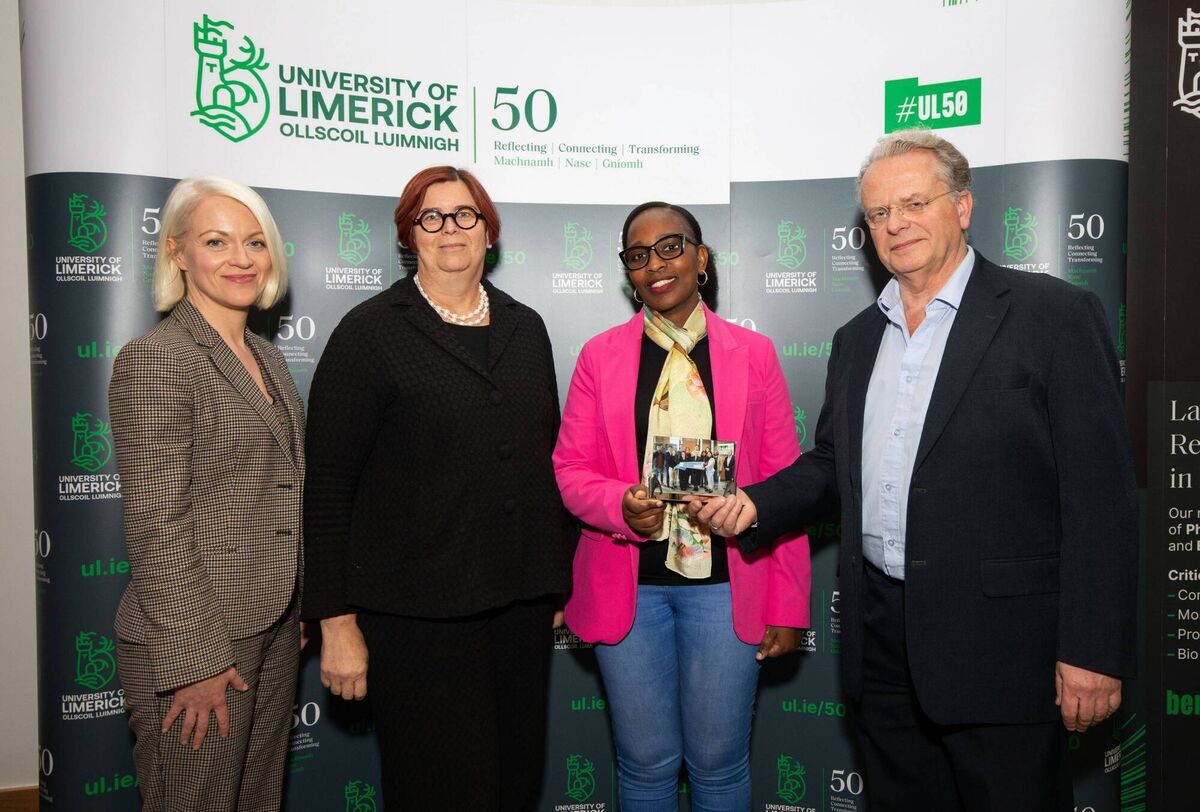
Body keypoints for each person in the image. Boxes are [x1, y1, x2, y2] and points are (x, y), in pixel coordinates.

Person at [695, 129, 1138, 810]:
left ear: (961, 206)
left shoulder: (1053, 316)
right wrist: (755, 504)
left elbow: (1100, 500)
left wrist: (1093, 651)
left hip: (1004, 651)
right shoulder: (856, 338)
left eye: (913, 203)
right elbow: (835, 464)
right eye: (878, 214)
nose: (896, 224)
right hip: (882, 643)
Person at [302, 166, 572, 810]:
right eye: (431, 217)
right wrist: (336, 621)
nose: (450, 229)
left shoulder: (524, 327)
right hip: (416, 618)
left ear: (488, 231)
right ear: (409, 237)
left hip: (519, 609)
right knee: (436, 790)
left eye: (465, 215)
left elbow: (544, 460)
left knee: (514, 782)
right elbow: (330, 485)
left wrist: (554, 578)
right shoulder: (369, 333)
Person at [554, 201, 811, 811]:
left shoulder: (754, 353)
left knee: (719, 767)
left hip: (728, 586)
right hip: (629, 587)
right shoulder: (600, 356)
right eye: (638, 256)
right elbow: (569, 470)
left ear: (702, 258)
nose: (655, 265)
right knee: (644, 767)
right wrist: (622, 505)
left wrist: (789, 600)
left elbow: (786, 485)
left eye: (670, 247)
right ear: (628, 272)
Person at [108, 177, 303, 812]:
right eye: (216, 241)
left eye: (254, 243)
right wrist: (194, 661)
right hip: (199, 638)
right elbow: (156, 521)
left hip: (272, 627)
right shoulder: (158, 358)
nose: (241, 259)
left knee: (256, 800)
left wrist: (296, 607)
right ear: (176, 252)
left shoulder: (268, 360)